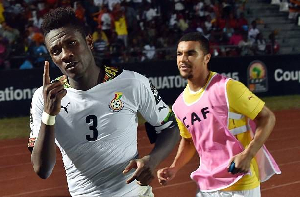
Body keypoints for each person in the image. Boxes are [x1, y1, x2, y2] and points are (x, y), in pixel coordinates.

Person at [28, 7, 180, 196]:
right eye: (56, 51)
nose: (65, 54)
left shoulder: (132, 83)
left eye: (72, 43)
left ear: (89, 41)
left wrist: (153, 159)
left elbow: (170, 127)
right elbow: (42, 170)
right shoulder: (44, 98)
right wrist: (49, 115)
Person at [157, 32, 281, 197]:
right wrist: (174, 167)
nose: (183, 59)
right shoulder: (179, 105)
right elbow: (189, 141)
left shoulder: (227, 88)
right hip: (207, 186)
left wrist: (248, 154)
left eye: (191, 53)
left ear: (206, 58)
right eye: (180, 53)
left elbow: (267, 117)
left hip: (239, 183)